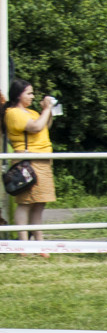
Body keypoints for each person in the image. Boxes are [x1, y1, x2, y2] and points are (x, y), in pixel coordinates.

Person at [3, 79, 57, 248]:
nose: (33, 96)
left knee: (40, 202)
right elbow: (35, 127)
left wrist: (46, 111)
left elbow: (44, 126)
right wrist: (47, 109)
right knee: (25, 202)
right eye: (29, 93)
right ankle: (23, 244)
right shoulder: (13, 113)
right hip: (27, 161)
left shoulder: (32, 112)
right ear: (18, 95)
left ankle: (39, 243)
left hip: (42, 160)